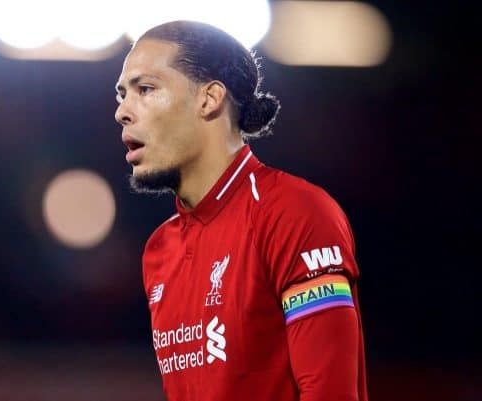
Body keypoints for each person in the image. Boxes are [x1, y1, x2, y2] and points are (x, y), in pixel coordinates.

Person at [114, 20, 368, 401]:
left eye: (145, 89)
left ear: (209, 98)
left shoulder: (294, 212)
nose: (122, 112)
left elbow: (331, 392)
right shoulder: (158, 251)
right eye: (121, 95)